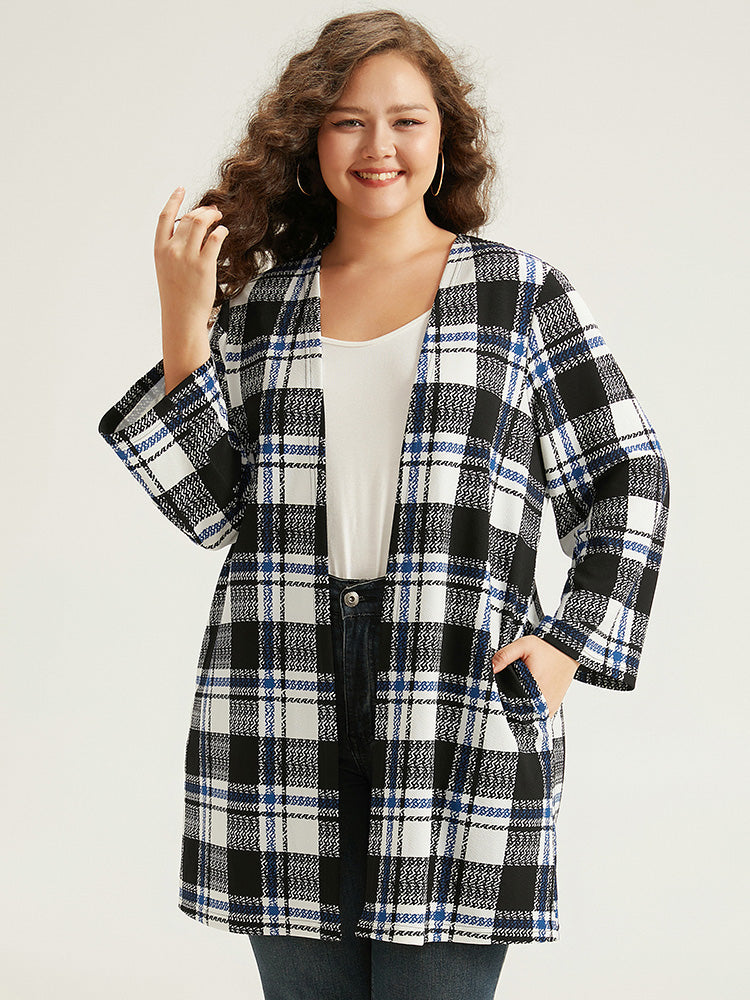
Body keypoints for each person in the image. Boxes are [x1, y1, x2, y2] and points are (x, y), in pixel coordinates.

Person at [97, 9, 670, 999]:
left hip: (456, 678)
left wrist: (569, 644)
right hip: (279, 687)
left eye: (407, 120)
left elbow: (628, 474)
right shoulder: (266, 307)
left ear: (445, 135)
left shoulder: (519, 294)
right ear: (311, 137)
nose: (379, 147)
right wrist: (184, 325)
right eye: (349, 121)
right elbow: (209, 511)